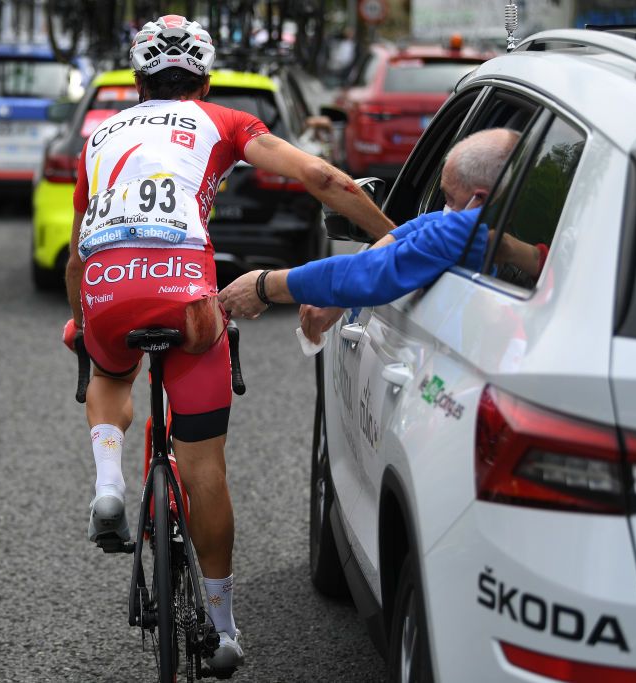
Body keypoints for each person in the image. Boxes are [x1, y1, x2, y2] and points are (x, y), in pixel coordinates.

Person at [61, 15, 393, 674]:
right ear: (206, 78)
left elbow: (76, 256)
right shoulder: (224, 120)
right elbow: (327, 181)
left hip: (105, 287)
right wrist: (395, 232)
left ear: (136, 79)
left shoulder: (98, 135)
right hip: (186, 294)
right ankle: (222, 626)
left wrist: (82, 319)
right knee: (203, 467)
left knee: (105, 367)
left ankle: (107, 482)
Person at [218, 128, 546, 336]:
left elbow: (373, 273)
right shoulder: (551, 239)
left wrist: (264, 285)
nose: (445, 209)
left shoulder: (469, 230)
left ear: (480, 200)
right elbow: (423, 227)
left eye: (449, 197)